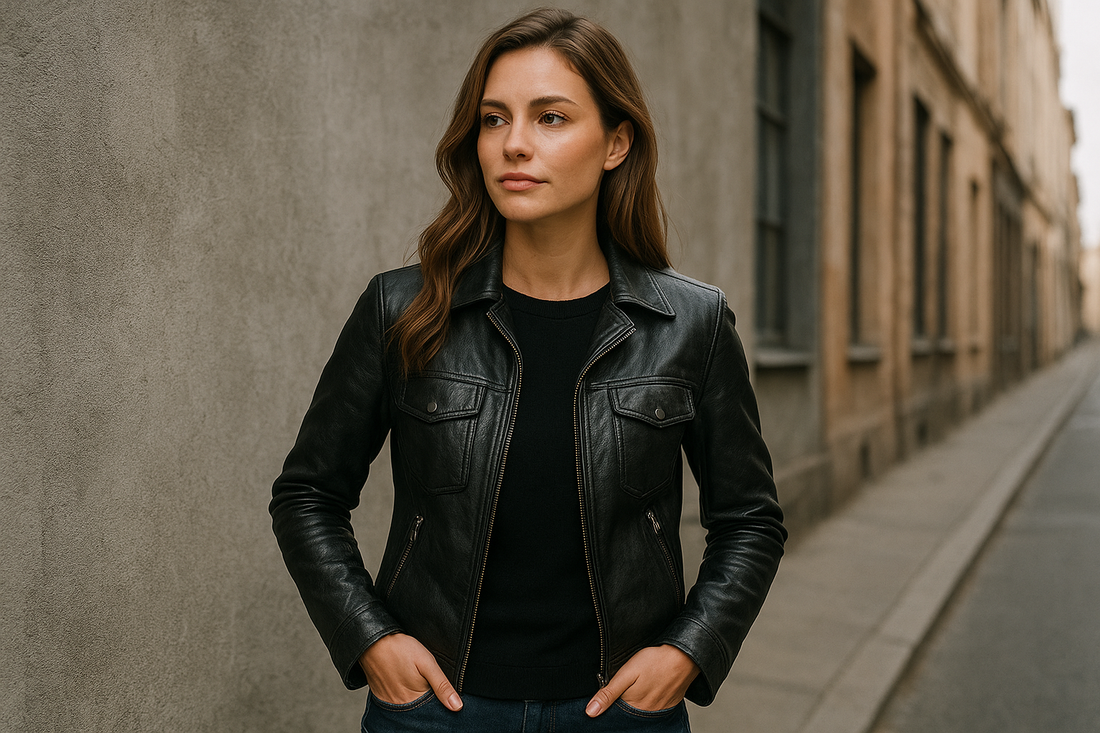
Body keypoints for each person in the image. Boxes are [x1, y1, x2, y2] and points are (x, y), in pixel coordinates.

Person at [270, 7, 786, 732]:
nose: (513, 144)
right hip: (437, 712)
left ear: (615, 141)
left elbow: (750, 520)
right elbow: (307, 494)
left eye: (550, 118)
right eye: (493, 119)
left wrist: (686, 652)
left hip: (619, 714)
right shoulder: (403, 309)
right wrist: (372, 639)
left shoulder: (691, 324)